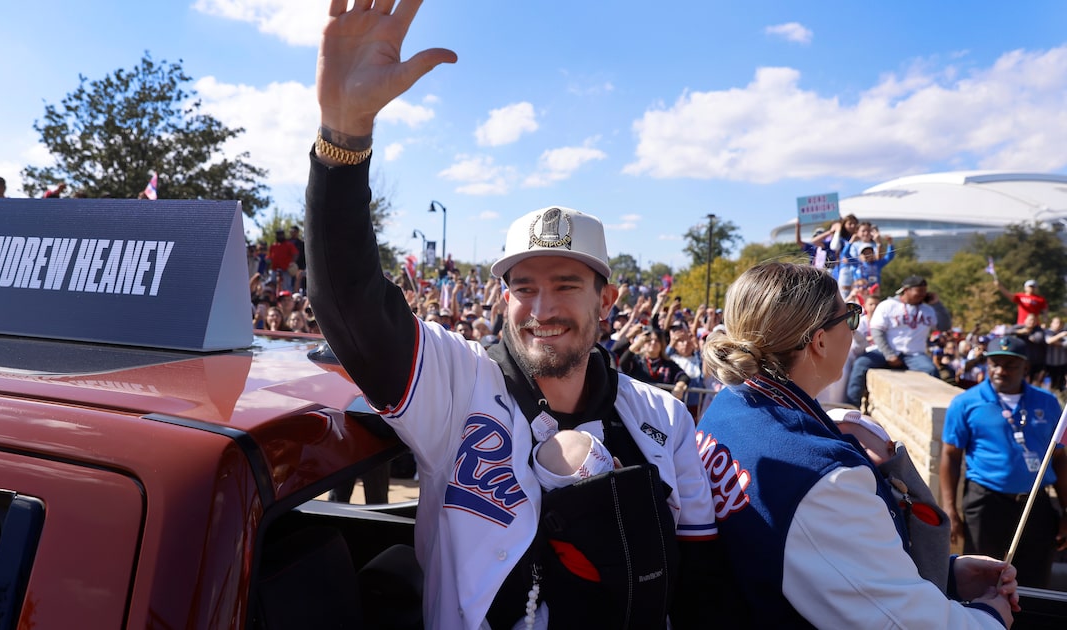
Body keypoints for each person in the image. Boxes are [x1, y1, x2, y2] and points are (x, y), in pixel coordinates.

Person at [305, 3, 722, 627]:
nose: (543, 308)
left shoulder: (661, 418)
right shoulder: (457, 383)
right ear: (504, 298)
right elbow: (350, 303)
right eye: (523, 286)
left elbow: (697, 588)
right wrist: (343, 138)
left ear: (607, 301)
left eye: (565, 284)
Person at [696, 261, 1018, 628]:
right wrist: (990, 616)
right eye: (850, 315)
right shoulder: (823, 479)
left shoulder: (728, 406)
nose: (855, 327)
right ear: (818, 340)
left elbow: (810, 555)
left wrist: (946, 573)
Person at [940, 335, 1067, 589]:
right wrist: (950, 509)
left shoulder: (1048, 402)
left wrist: (1066, 510)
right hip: (986, 503)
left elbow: (1061, 459)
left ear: (1026, 368)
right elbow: (951, 457)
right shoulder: (966, 402)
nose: (1000, 370)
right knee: (980, 581)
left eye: (1010, 365)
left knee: (1033, 581)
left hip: (1035, 505)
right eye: (995, 363)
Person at [845, 275, 951, 406]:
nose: (923, 295)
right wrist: (889, 354)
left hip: (915, 355)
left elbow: (945, 326)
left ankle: (937, 410)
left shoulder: (928, 309)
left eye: (925, 292)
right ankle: (851, 407)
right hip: (885, 351)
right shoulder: (888, 305)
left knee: (931, 371)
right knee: (861, 364)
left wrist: (937, 304)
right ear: (906, 290)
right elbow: (877, 332)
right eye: (919, 292)